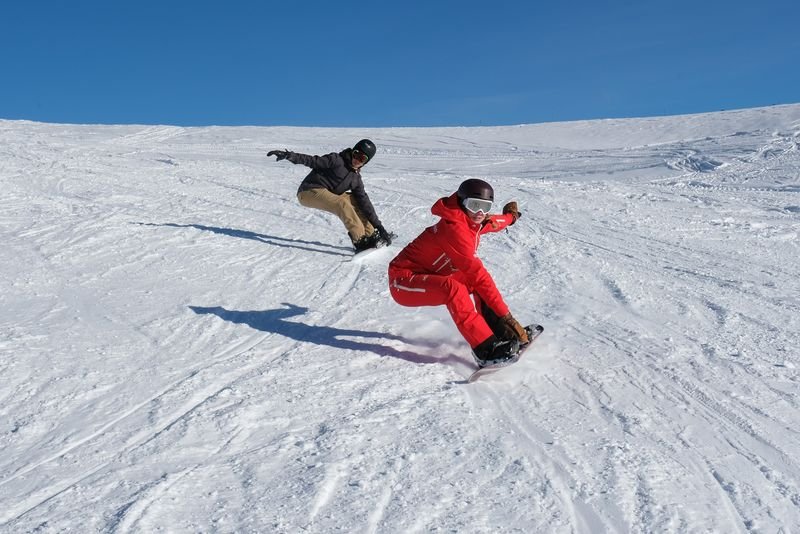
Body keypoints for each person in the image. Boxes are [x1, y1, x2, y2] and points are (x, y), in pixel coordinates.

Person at [387, 178, 529, 366]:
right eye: (474, 205)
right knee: (454, 288)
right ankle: (485, 349)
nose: (480, 212)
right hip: (403, 281)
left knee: (473, 285)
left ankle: (500, 332)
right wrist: (506, 316)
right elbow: (478, 275)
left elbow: (494, 221)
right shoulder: (454, 229)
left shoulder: (472, 220)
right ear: (462, 202)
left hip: (434, 273)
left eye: (485, 206)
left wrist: (511, 217)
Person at [267, 139, 394, 251]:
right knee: (342, 203)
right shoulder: (336, 160)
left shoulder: (355, 179)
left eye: (362, 159)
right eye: (356, 154)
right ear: (352, 151)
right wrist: (289, 155)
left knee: (355, 200)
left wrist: (379, 227)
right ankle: (360, 240)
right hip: (308, 191)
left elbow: (365, 203)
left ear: (365, 163)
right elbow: (312, 161)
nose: (357, 160)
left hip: (327, 193)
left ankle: (370, 234)